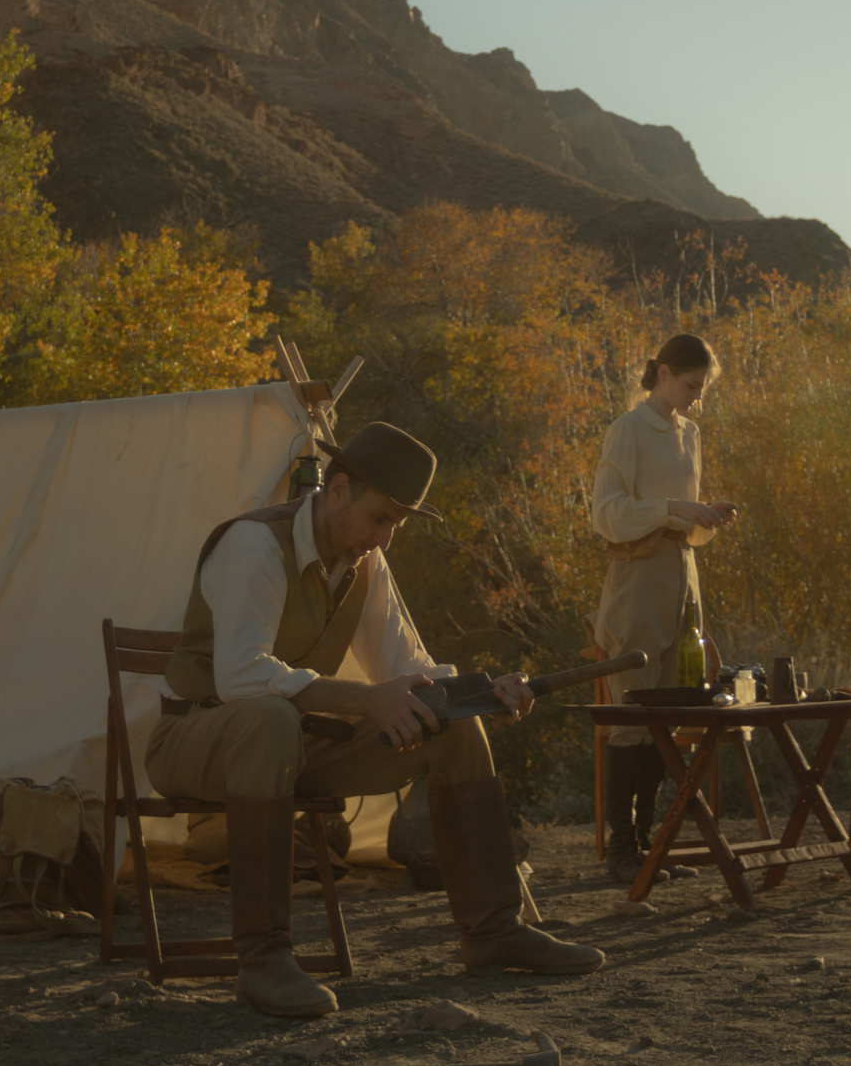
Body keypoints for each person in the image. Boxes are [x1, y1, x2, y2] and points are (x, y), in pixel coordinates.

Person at [146, 420, 605, 1019]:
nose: (386, 539)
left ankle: (493, 932)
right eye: (380, 519)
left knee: (454, 723)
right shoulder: (255, 546)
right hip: (195, 738)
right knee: (267, 719)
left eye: (396, 525)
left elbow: (409, 668)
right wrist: (366, 700)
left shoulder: (365, 561)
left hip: (293, 743)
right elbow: (240, 678)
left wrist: (481, 692)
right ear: (337, 491)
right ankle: (262, 961)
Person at [591, 333, 738, 886]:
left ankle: (649, 842)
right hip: (639, 575)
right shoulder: (628, 429)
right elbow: (607, 514)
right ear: (666, 373)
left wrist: (705, 514)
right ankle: (620, 849)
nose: (697, 397)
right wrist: (674, 507)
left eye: (703, 389)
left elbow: (682, 519)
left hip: (683, 573)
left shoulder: (690, 434)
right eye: (691, 385)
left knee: (673, 705)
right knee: (636, 707)